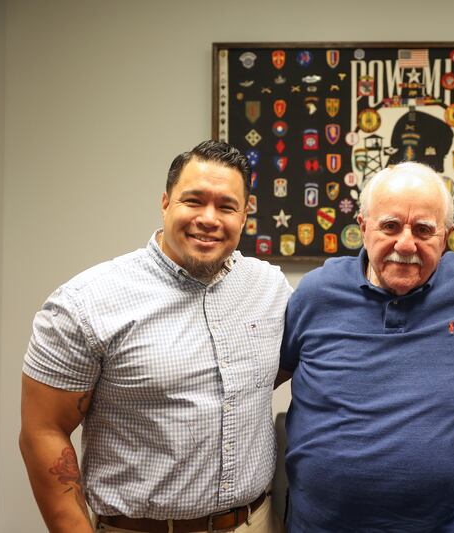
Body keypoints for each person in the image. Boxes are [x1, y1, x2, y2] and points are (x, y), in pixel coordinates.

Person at [19, 140, 292, 533]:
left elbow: (275, 371)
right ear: (165, 202)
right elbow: (42, 431)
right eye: (193, 201)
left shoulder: (269, 289)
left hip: (256, 521)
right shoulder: (85, 303)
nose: (209, 218)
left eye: (226, 206)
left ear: (245, 215)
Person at [276, 162, 454, 532]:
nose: (406, 244)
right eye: (390, 226)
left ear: (446, 235)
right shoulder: (316, 293)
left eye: (424, 229)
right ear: (363, 226)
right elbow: (265, 379)